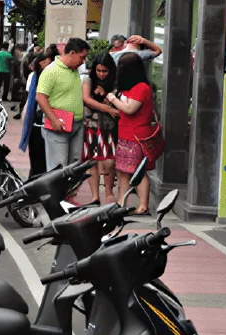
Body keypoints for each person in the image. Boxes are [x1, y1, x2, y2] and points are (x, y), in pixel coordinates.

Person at [107, 52, 157, 214]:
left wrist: (113, 99)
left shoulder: (141, 88)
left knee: (138, 171)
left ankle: (143, 205)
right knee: (123, 170)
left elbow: (130, 109)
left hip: (137, 137)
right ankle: (121, 202)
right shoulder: (129, 88)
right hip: (125, 135)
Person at [36, 38, 89, 172]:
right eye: (81, 57)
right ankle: (57, 193)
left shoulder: (74, 69)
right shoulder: (51, 71)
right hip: (58, 124)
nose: (83, 61)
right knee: (58, 167)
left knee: (74, 165)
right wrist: (53, 120)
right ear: (72, 53)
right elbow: (41, 97)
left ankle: (67, 192)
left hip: (76, 123)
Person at [81, 52, 120, 203]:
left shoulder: (116, 83)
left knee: (109, 161)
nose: (101, 74)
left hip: (108, 127)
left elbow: (117, 107)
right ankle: (95, 196)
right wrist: (107, 108)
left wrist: (105, 97)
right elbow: (86, 99)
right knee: (92, 161)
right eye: (98, 70)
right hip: (90, 125)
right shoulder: (88, 80)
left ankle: (109, 193)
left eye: (105, 71)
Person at [18, 45, 59, 178]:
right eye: (43, 62)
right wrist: (26, 117)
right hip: (36, 122)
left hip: (50, 121)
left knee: (47, 159)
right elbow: (30, 99)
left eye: (48, 62)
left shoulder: (55, 76)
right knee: (36, 158)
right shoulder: (34, 77)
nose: (45, 65)